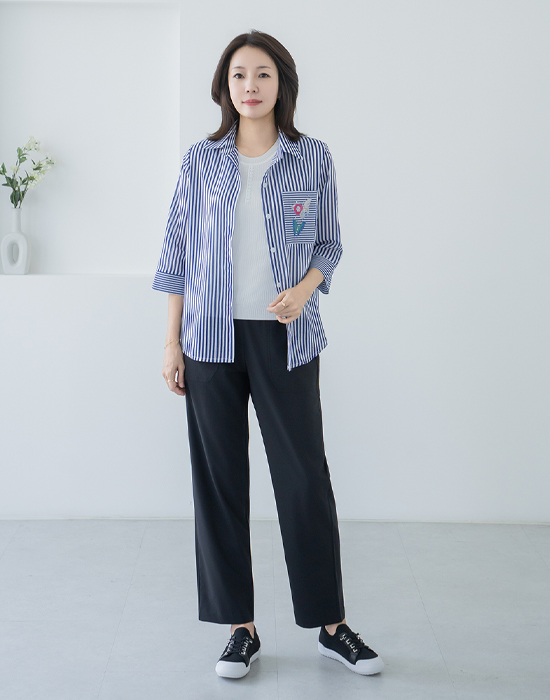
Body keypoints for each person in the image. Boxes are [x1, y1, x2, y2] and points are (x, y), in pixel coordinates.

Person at [152, 29, 384, 680]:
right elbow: (176, 254)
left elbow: (329, 245)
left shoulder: (311, 158)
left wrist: (304, 291)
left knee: (303, 479)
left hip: (287, 338)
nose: (249, 86)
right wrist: (171, 343)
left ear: (282, 84)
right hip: (209, 341)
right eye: (238, 75)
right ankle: (240, 629)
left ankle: (331, 625)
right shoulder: (201, 161)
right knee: (220, 482)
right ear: (224, 87)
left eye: (262, 74)